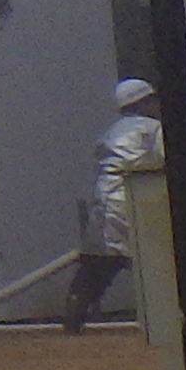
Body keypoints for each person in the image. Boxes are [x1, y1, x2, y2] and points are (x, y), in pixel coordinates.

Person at [60, 78, 164, 334]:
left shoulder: (109, 133)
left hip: (103, 202)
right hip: (138, 200)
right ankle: (166, 320)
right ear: (144, 102)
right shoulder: (154, 129)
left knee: (96, 266)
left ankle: (73, 322)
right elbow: (164, 162)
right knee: (159, 261)